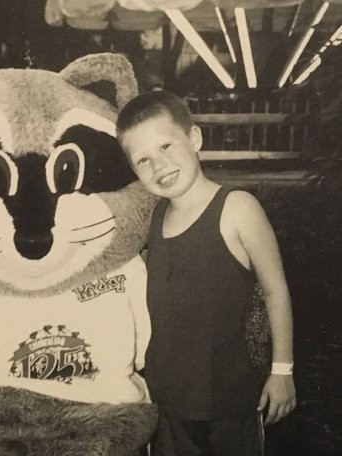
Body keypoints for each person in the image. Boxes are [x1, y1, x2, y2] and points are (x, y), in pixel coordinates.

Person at [116, 90, 296, 456]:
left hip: (228, 397)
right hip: (168, 398)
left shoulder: (237, 208)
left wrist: (283, 370)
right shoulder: (155, 218)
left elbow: (276, 292)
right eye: (143, 160)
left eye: (166, 147)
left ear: (194, 138)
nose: (159, 165)